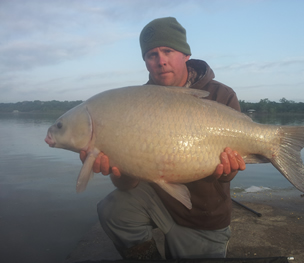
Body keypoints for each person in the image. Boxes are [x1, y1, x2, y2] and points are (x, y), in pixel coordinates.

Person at [80, 17, 246, 259]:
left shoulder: (221, 94)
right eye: (151, 55)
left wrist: (229, 169)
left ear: (186, 54)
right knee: (113, 208)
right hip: (158, 200)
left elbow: (228, 175)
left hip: (203, 215)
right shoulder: (138, 102)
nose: (161, 61)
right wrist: (119, 167)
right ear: (146, 61)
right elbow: (128, 184)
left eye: (167, 50)